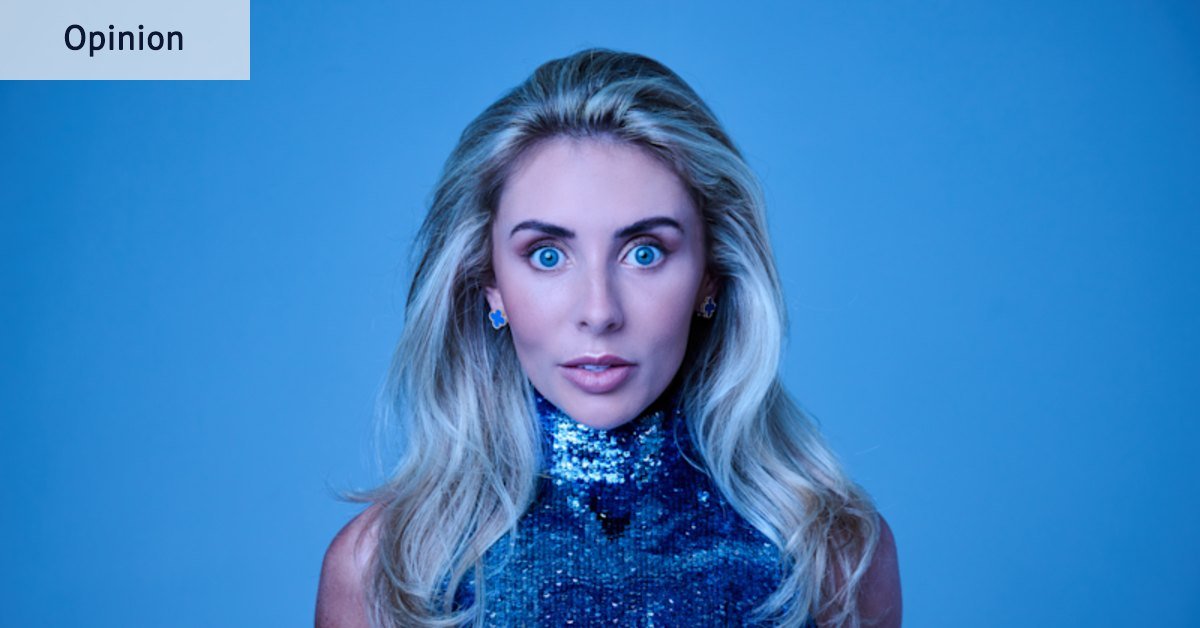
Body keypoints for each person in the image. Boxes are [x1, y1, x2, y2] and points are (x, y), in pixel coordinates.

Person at [316, 48, 901, 628]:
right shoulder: (389, 569)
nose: (598, 312)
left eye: (644, 253)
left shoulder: (832, 556)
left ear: (711, 275)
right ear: (490, 284)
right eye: (547, 255)